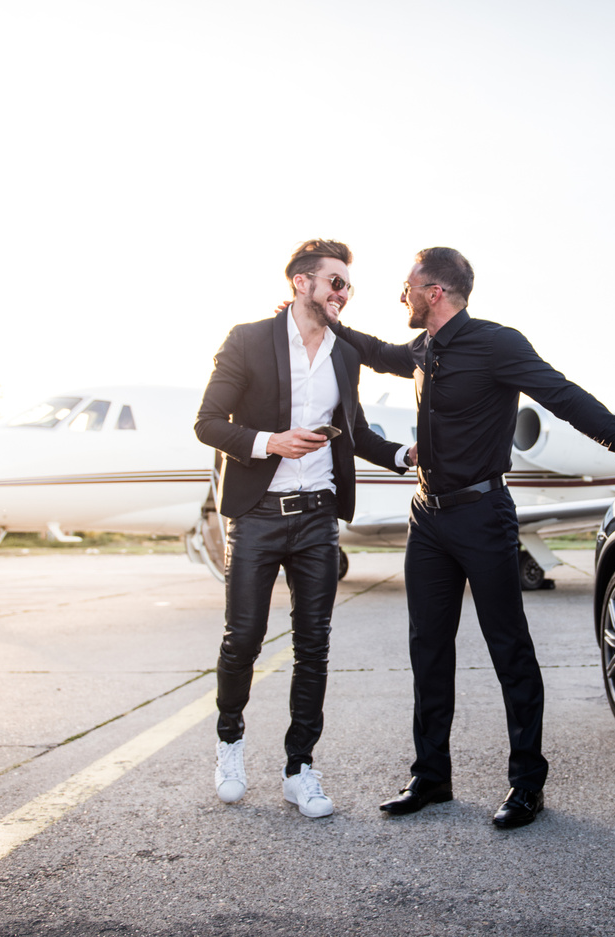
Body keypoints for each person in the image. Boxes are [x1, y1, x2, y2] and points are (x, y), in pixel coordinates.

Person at [331, 247, 615, 828]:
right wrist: (322, 315)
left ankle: (526, 785)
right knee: (428, 649)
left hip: (484, 516)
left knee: (509, 648)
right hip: (427, 519)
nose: (401, 295)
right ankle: (431, 776)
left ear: (434, 292)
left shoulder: (497, 343)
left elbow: (563, 396)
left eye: (407, 286)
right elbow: (373, 351)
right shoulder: (421, 349)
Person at [195, 239, 411, 818]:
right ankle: (230, 746)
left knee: (313, 648)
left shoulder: (344, 352)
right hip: (258, 516)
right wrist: (271, 443)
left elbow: (356, 430)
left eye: (348, 286)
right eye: (335, 282)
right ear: (301, 283)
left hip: (317, 517)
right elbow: (208, 423)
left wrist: (403, 456)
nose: (343, 293)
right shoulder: (248, 340)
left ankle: (299, 769)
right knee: (242, 639)